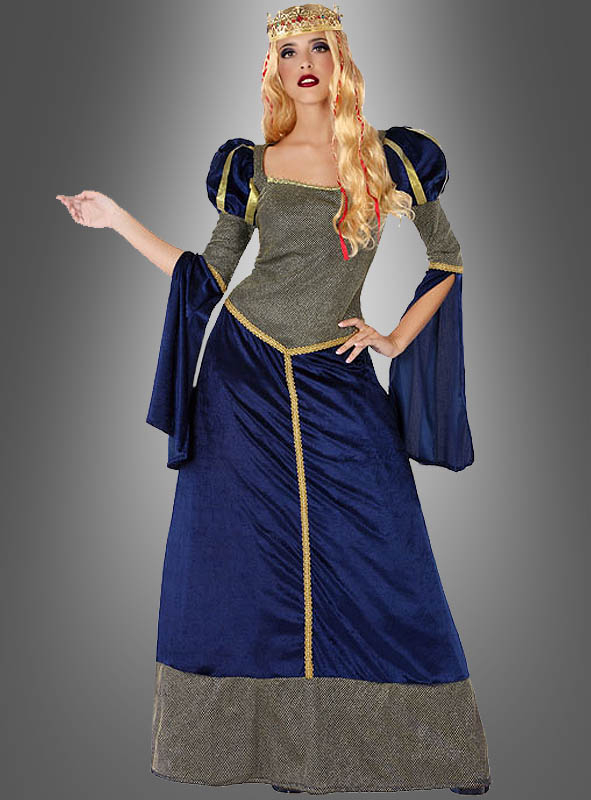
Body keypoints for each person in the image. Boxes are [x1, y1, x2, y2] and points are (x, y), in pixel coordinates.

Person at [56, 3, 491, 794]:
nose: (303, 62)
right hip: (241, 371)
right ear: (273, 69)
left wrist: (394, 339)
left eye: (317, 46)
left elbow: (448, 258)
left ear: (338, 58)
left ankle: (440, 748)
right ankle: (279, 756)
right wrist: (115, 219)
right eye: (287, 51)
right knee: (241, 560)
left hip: (336, 370)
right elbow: (207, 276)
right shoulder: (250, 164)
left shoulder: (391, 157)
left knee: (385, 542)